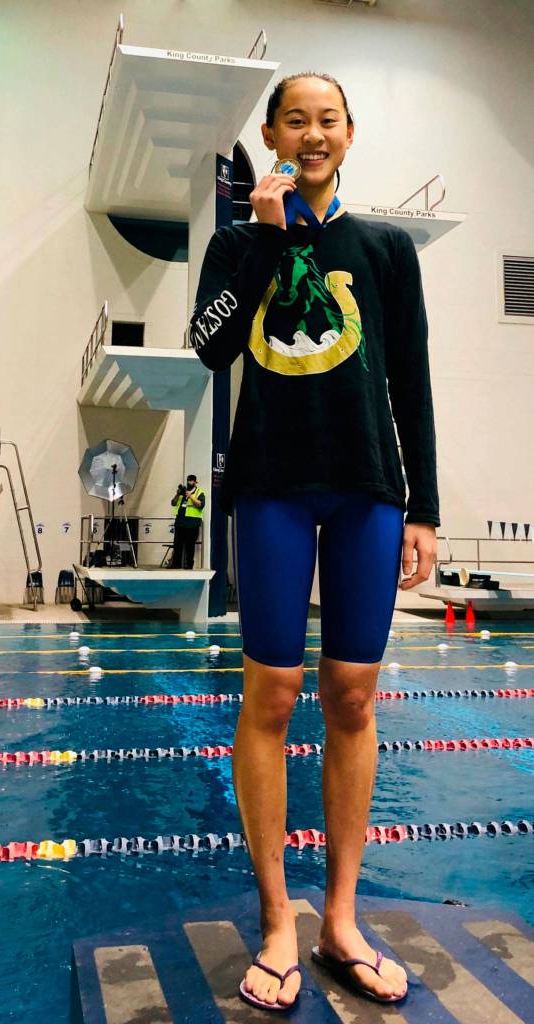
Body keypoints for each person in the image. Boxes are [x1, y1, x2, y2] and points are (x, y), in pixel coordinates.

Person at [189, 71, 439, 1012]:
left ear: (349, 133)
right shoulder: (235, 243)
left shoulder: (384, 247)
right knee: (272, 693)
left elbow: (410, 377)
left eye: (328, 119)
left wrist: (424, 506)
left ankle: (339, 919)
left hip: (368, 488)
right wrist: (264, 239)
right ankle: (276, 923)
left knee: (353, 696)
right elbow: (210, 346)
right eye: (295, 120)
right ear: (272, 136)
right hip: (271, 487)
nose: (313, 133)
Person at [170, 474, 205, 569]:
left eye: (191, 481)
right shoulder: (182, 493)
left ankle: (189, 565)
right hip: (180, 523)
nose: (189, 482)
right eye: (188, 480)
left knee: (190, 546)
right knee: (177, 545)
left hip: (192, 524)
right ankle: (176, 564)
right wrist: (177, 494)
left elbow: (200, 505)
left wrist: (191, 496)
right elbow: (173, 503)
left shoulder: (199, 492)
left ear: (195, 482)